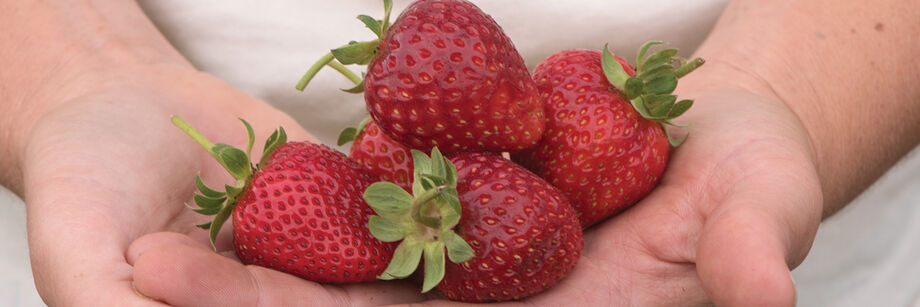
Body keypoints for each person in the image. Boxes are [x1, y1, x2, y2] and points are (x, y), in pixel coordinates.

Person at [0, 0, 918, 306]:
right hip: (184, 202)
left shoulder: (553, 110)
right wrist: (68, 81)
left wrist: (794, 91)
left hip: (791, 194)